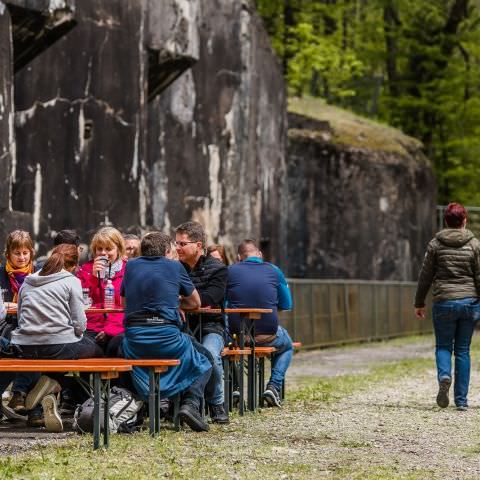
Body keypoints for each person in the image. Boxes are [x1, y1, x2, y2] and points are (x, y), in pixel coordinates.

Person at [2, 244, 103, 432]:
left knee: (50, 358)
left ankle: (47, 384)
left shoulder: (28, 281)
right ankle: (56, 385)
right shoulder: (71, 280)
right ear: (73, 266)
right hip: (58, 345)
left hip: (26, 347)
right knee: (96, 348)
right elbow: (80, 323)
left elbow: (21, 315)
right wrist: (74, 334)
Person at [120, 232, 212, 431]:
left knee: (115, 351)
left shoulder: (131, 266)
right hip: (168, 339)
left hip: (134, 341)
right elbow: (196, 302)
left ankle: (140, 407)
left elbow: (123, 302)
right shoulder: (174, 266)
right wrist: (176, 300)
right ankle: (190, 405)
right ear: (166, 251)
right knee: (206, 359)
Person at [414, 202, 480, 411]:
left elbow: (426, 275)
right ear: (464, 220)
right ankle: (461, 401)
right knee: (462, 350)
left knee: (443, 346)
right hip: (469, 302)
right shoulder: (474, 244)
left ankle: (444, 375)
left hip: (444, 302)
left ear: (446, 221)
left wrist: (419, 302)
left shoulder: (435, 244)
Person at [226, 239, 293, 407]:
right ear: (260, 255)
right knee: (287, 345)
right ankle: (273, 386)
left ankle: (235, 388)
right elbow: (287, 305)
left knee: (223, 344)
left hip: (237, 337)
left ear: (239, 257)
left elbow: (222, 304)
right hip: (267, 336)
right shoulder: (274, 270)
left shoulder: (229, 271)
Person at [175, 221, 229, 424]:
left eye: (182, 244)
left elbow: (210, 298)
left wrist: (183, 301)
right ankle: (178, 405)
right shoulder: (174, 268)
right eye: (176, 244)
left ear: (198, 245)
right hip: (182, 327)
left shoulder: (218, 269)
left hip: (211, 326)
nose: (178, 248)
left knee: (210, 355)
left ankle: (216, 403)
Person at [0, 230, 43, 424]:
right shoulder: (1, 274)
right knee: (17, 345)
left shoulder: (39, 273)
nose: (22, 257)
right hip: (6, 325)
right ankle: (33, 408)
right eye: (17, 253)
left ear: (31, 253)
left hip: (34, 325)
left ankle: (23, 397)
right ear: (8, 254)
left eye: (26, 252)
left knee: (32, 346)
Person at [77, 227, 126, 355]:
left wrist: (110, 330)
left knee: (118, 347)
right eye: (99, 249)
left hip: (118, 328)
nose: (103, 253)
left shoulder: (128, 269)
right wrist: (93, 277)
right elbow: (80, 301)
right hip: (92, 328)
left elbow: (131, 305)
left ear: (118, 249)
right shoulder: (85, 269)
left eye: (108, 249)